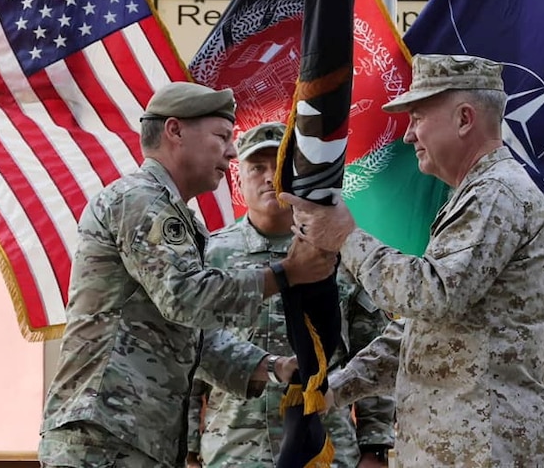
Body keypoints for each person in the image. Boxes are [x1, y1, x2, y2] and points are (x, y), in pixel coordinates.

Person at [281, 54, 544, 467]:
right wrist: (336, 389)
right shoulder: (478, 194)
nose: (408, 136)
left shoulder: (496, 195)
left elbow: (431, 295)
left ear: (465, 119)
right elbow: (422, 330)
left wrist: (345, 237)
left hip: (489, 451)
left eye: (417, 118)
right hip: (465, 448)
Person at [38, 82, 338, 468]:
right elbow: (185, 297)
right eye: (221, 137)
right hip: (104, 436)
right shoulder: (140, 200)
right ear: (175, 131)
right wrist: (284, 274)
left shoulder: (169, 212)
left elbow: (188, 334)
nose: (231, 152)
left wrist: (272, 367)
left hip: (130, 435)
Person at [184, 122, 395, 468]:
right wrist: (188, 450)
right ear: (239, 181)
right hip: (235, 451)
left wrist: (375, 447)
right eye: (256, 168)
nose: (269, 177)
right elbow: (190, 355)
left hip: (325, 448)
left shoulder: (340, 252)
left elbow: (371, 349)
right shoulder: (209, 257)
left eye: (280, 168)